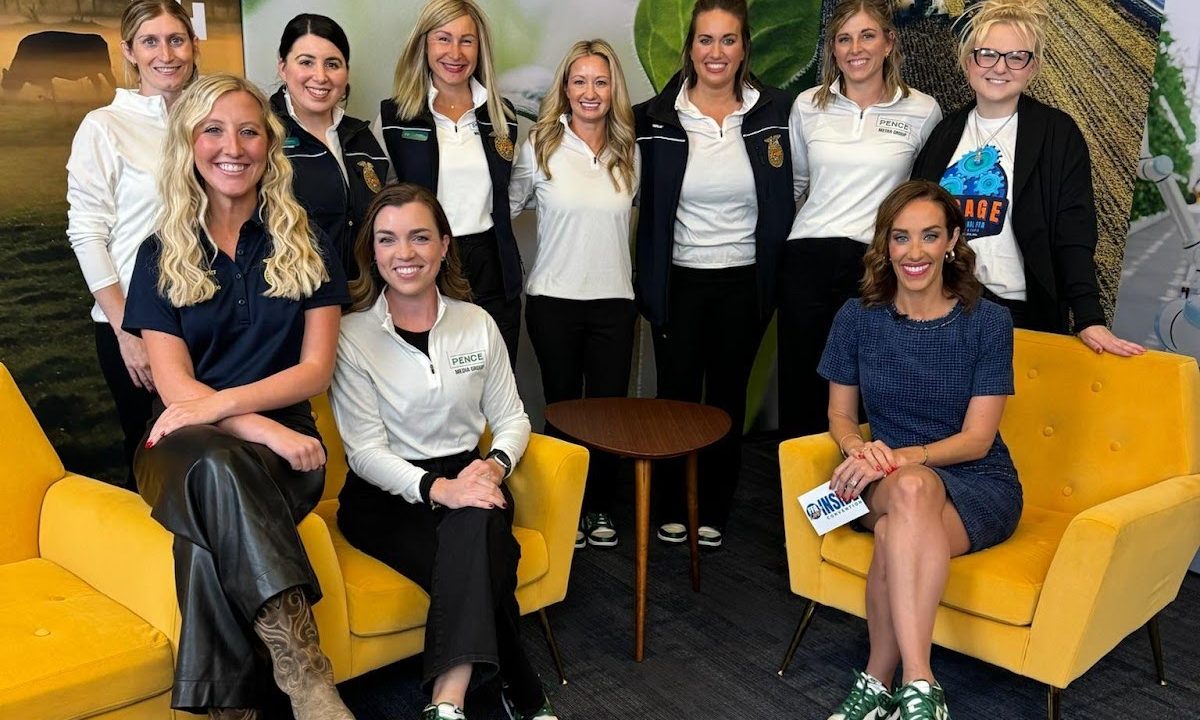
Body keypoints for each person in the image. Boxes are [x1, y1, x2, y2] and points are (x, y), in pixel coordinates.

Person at [122, 73, 353, 720]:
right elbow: (175, 388)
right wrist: (262, 426)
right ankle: (307, 679)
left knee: (201, 545)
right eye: (214, 131)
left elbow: (315, 370)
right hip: (180, 444)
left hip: (287, 454)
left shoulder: (306, 242)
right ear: (189, 144)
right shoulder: (159, 253)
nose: (233, 147)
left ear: (268, 146)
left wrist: (239, 414)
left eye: (250, 131)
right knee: (216, 464)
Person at [329, 184, 558, 720]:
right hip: (385, 497)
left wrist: (494, 468)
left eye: (419, 237)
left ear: (444, 245)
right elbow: (364, 453)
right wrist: (440, 489)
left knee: (474, 529)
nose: (404, 253)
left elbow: (512, 419)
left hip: (473, 475)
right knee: (485, 559)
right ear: (372, 252)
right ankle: (522, 687)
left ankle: (447, 702)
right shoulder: (351, 336)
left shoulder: (476, 323)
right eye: (387, 240)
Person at [818, 180, 1020, 720]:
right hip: (881, 477)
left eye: (930, 236)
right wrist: (857, 448)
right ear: (885, 245)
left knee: (895, 530)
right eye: (901, 237)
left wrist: (904, 457)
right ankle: (922, 687)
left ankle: (879, 682)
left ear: (952, 240)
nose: (915, 252)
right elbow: (840, 415)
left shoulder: (989, 322)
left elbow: (978, 439)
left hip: (978, 483)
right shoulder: (856, 317)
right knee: (906, 493)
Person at [634, 0, 792, 549]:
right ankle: (672, 504)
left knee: (727, 398)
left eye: (728, 40)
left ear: (745, 47)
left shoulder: (776, 112)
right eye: (705, 40)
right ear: (690, 48)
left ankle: (714, 507)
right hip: (679, 280)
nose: (716, 52)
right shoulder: (654, 117)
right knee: (677, 396)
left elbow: (794, 187)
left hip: (745, 282)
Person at [911, 0, 1143, 356]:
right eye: (987, 54)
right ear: (968, 61)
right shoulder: (944, 134)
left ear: (1032, 68)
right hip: (940, 311)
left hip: (1019, 317)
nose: (1000, 67)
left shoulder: (1057, 133)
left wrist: (1088, 317)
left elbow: (1074, 230)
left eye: (1016, 57)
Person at [777, 0, 942, 438]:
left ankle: (867, 480)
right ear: (833, 49)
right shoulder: (807, 105)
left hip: (876, 262)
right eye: (844, 39)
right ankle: (798, 478)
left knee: (870, 383)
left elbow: (923, 198)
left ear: (889, 42)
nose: (856, 49)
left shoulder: (922, 110)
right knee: (802, 379)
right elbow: (795, 185)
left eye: (867, 35)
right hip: (808, 257)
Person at [509, 39, 639, 550]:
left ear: (613, 89)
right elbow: (505, 210)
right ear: (565, 88)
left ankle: (600, 505)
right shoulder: (539, 146)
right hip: (553, 303)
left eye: (600, 82)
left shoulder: (629, 151)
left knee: (608, 412)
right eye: (580, 81)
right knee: (562, 408)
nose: (590, 92)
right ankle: (565, 508)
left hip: (614, 303)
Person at [66, 0, 199, 487]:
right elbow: (87, 233)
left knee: (210, 447)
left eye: (176, 40)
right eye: (150, 42)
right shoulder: (104, 126)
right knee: (152, 456)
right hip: (134, 322)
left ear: (193, 45)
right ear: (129, 51)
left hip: (207, 314)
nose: (166, 54)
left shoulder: (210, 118)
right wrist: (128, 331)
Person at [374, 0, 522, 365]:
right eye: (443, 39)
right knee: (433, 374)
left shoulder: (502, 115)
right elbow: (378, 200)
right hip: (425, 264)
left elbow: (509, 191)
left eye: (466, 41)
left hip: (491, 265)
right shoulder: (394, 117)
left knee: (495, 372)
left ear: (479, 48)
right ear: (424, 44)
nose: (455, 53)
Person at [271, 12, 388, 281]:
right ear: (283, 67)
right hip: (293, 295)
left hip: (364, 295)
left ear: (346, 72)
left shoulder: (362, 138)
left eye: (332, 64)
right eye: (306, 62)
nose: (320, 76)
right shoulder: (262, 135)